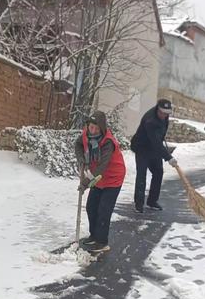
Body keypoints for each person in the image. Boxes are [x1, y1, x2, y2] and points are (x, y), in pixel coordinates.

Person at [75, 110, 126, 253]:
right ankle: (94, 235)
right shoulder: (85, 135)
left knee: (104, 209)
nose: (93, 131)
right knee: (92, 207)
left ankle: (102, 242)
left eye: (96, 129)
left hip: (112, 177)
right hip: (97, 176)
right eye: (91, 127)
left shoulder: (107, 142)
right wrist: (81, 160)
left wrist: (85, 183)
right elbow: (78, 145)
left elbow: (101, 167)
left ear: (102, 129)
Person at [130, 98, 178, 213]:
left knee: (158, 172)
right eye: (162, 112)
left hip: (154, 148)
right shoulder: (150, 120)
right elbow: (155, 141)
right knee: (141, 175)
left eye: (166, 113)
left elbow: (159, 138)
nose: (164, 115)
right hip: (142, 147)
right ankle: (139, 203)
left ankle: (152, 201)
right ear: (158, 109)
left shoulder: (164, 117)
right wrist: (168, 157)